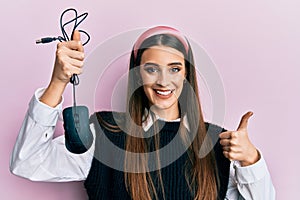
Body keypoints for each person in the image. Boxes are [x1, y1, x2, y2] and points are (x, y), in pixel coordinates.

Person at [10, 26, 275, 200]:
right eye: (151, 69)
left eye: (174, 69)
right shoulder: (104, 134)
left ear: (187, 75)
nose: (163, 81)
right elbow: (27, 162)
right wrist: (58, 81)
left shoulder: (216, 143)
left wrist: (251, 160)